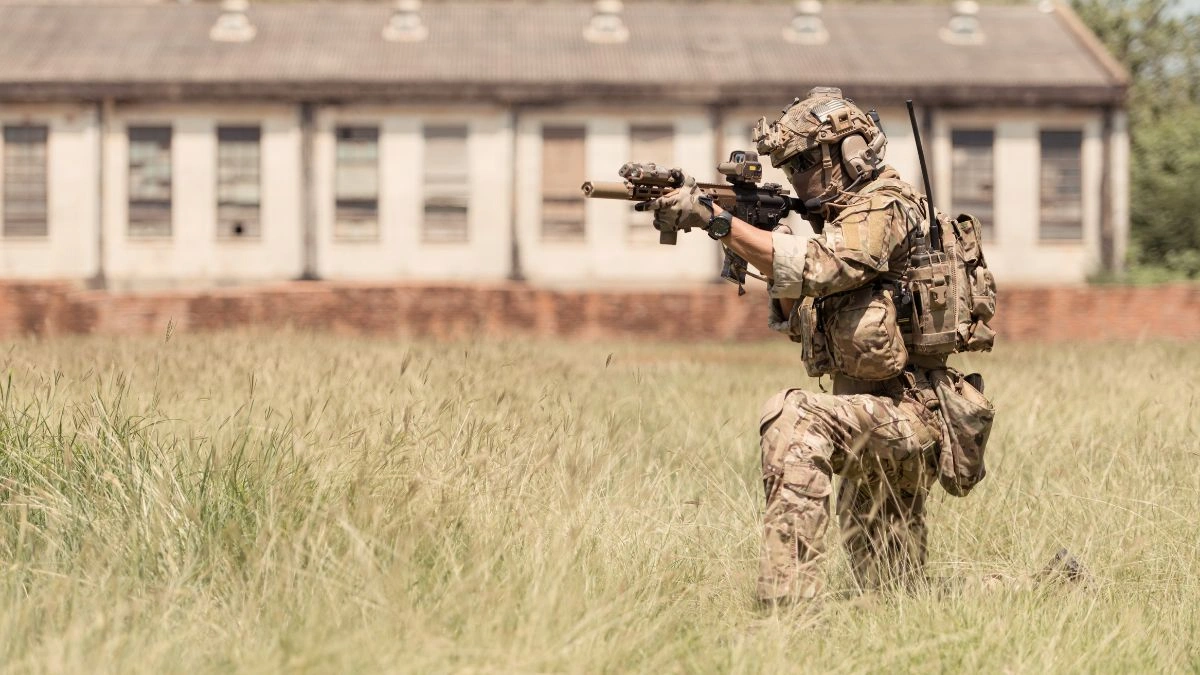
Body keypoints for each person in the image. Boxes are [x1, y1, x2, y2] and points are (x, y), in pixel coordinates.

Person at [644, 87, 992, 605]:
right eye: (791, 167)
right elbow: (798, 319)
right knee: (894, 596)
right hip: (870, 413)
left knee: (795, 416)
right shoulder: (836, 222)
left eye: (806, 162)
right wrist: (754, 240)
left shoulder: (886, 204)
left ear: (850, 151)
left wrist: (719, 221)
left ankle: (787, 606)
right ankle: (1050, 586)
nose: (797, 177)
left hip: (914, 414)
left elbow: (826, 266)